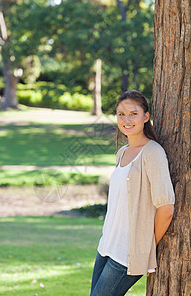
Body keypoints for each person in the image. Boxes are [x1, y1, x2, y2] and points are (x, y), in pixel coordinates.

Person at [89, 90, 175, 296]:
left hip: (127, 253)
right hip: (106, 246)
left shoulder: (153, 153)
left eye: (133, 113)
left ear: (146, 117)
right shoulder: (122, 152)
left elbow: (166, 209)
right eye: (121, 114)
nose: (126, 119)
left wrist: (145, 246)